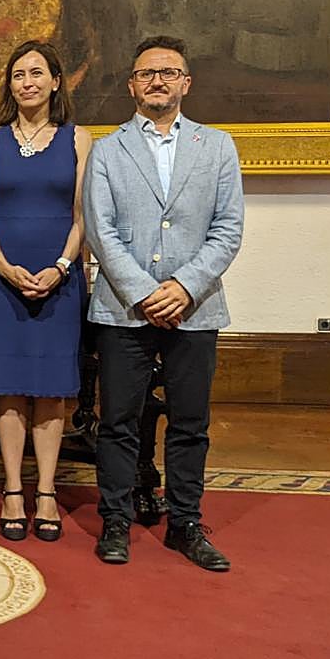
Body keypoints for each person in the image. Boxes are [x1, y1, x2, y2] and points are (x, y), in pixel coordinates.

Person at [85, 36, 244, 571]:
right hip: (124, 309)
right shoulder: (108, 150)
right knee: (118, 422)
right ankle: (115, 519)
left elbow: (227, 229)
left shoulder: (216, 146)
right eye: (147, 73)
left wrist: (183, 287)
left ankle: (185, 523)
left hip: (195, 309)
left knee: (190, 423)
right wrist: (145, 292)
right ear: (132, 85)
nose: (157, 80)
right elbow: (101, 231)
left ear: (186, 83)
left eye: (168, 72)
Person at [0, 40, 92, 543]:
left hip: (60, 279)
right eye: (19, 74)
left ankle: (45, 490)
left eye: (37, 72)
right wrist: (3, 267)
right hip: (1, 280)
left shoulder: (79, 139)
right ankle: (11, 489)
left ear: (56, 81)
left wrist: (62, 266)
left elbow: (84, 215)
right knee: (7, 386)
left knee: (51, 387)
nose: (28, 82)